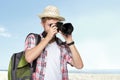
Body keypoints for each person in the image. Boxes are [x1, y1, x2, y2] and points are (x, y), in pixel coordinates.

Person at [24, 5, 83, 80]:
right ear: (42, 23)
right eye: (50, 25)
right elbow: (28, 58)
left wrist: (70, 41)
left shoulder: (62, 45)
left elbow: (79, 65)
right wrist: (48, 37)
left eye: (56, 25)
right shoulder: (33, 38)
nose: (53, 28)